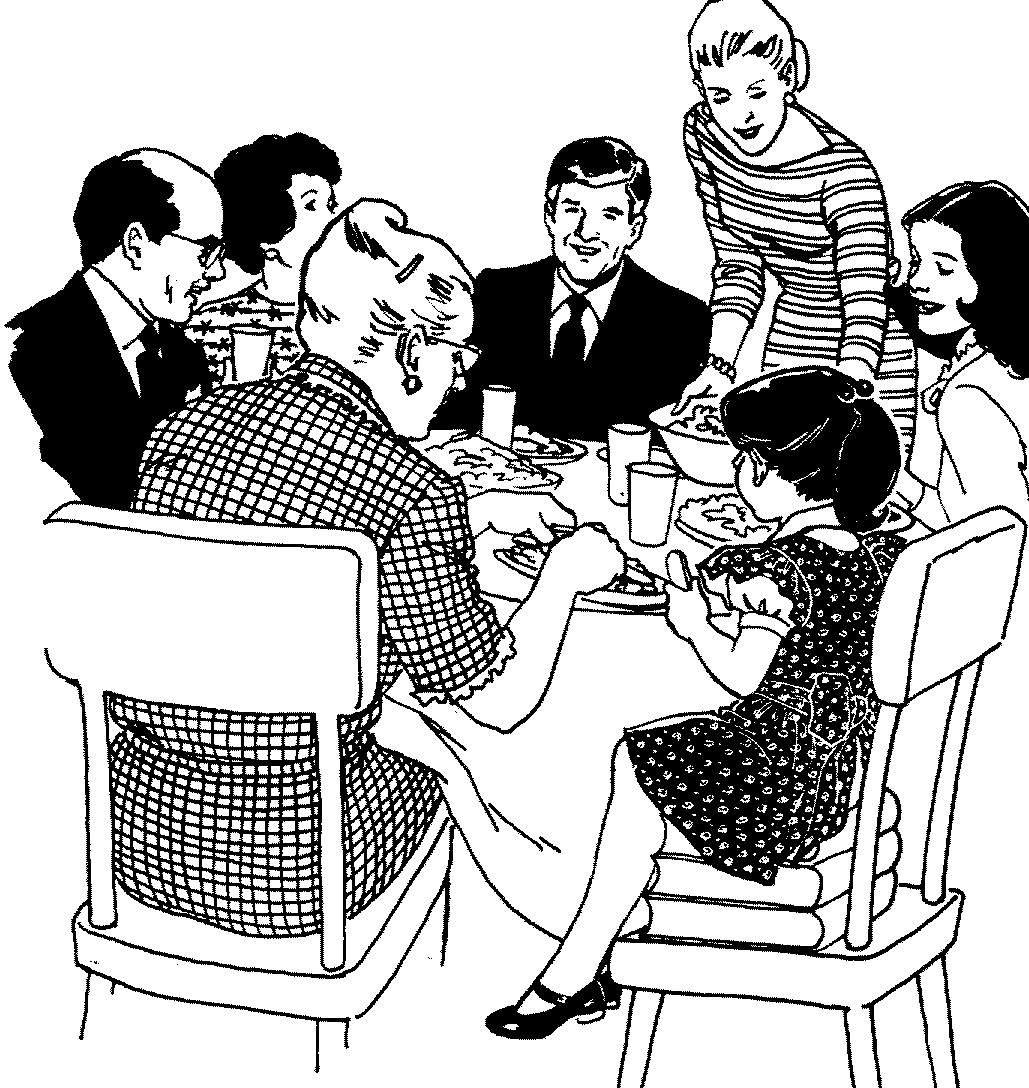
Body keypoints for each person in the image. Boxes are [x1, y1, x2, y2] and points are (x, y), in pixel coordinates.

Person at [116, 197, 625, 938]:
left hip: (139, 833)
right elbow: (498, 698)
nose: (458, 380)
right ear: (412, 353)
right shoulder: (412, 490)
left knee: (402, 711)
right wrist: (566, 574)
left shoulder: (174, 432)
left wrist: (466, 529)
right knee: (461, 745)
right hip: (306, 864)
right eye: (457, 354)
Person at [484, 366, 907, 1039]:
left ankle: (573, 967)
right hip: (836, 773)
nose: (740, 473)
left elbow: (742, 672)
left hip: (777, 792)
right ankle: (590, 953)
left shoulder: (782, 572)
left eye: (747, 460)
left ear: (773, 473)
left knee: (638, 760)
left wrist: (692, 621)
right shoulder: (883, 555)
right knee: (654, 763)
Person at [673, 0, 918, 451]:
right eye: (720, 95)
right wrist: (719, 364)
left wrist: (854, 382)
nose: (739, 114)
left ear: (789, 78)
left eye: (757, 91)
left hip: (868, 353)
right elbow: (736, 262)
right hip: (788, 340)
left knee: (861, 498)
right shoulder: (702, 135)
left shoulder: (845, 171)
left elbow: (865, 291)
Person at [434, 136, 711, 440]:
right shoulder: (496, 294)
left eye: (609, 215)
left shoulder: (680, 318)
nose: (585, 232)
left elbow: (676, 439)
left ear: (634, 228)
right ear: (549, 216)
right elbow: (448, 411)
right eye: (572, 209)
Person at [8, 149, 222, 508]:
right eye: (205, 252)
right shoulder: (28, 349)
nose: (213, 272)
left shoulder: (184, 356)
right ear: (135, 244)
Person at [890, 180, 1029, 527]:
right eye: (915, 262)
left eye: (943, 268)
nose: (917, 282)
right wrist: (901, 487)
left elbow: (992, 538)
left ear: (996, 275)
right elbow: (966, 514)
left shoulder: (971, 394)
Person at [189, 133, 342, 382]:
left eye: (331, 206)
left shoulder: (351, 315)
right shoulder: (208, 324)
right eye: (311, 205)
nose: (332, 220)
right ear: (264, 228)